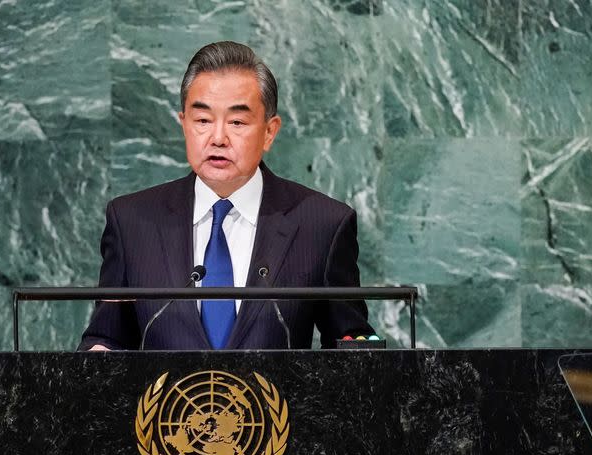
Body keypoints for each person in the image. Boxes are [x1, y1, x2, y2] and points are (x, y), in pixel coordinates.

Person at [78, 41, 375, 351]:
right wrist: (98, 355)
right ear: (184, 125)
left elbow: (350, 344)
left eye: (237, 122)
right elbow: (105, 336)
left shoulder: (322, 225)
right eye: (203, 120)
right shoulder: (132, 223)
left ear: (269, 132)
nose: (218, 138)